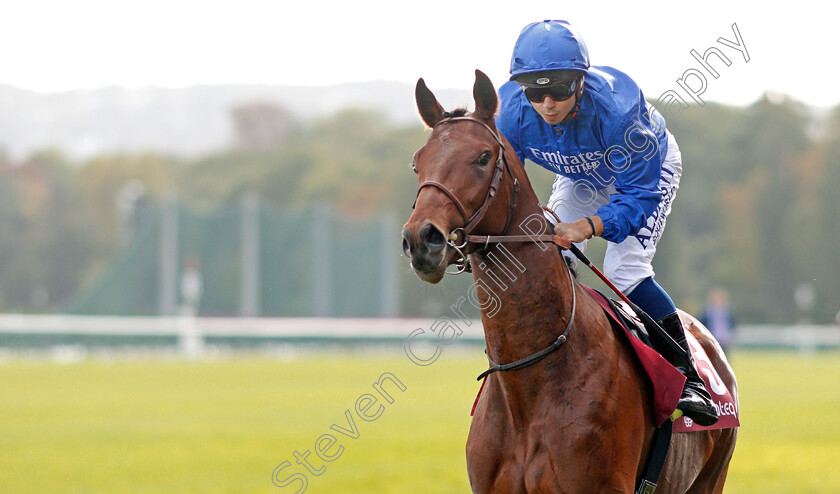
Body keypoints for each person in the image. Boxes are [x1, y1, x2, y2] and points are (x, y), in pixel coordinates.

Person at [496, 20, 718, 425]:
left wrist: (589, 226)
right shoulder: (510, 114)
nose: (547, 104)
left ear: (580, 82)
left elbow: (636, 200)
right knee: (548, 255)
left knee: (625, 268)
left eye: (558, 90)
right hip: (581, 174)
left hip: (643, 171)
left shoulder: (618, 114)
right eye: (534, 92)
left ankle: (689, 378)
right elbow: (508, 188)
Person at [699, 287, 737, 357]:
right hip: (711, 339)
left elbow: (732, 324)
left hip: (723, 340)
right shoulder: (707, 312)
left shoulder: (727, 312)